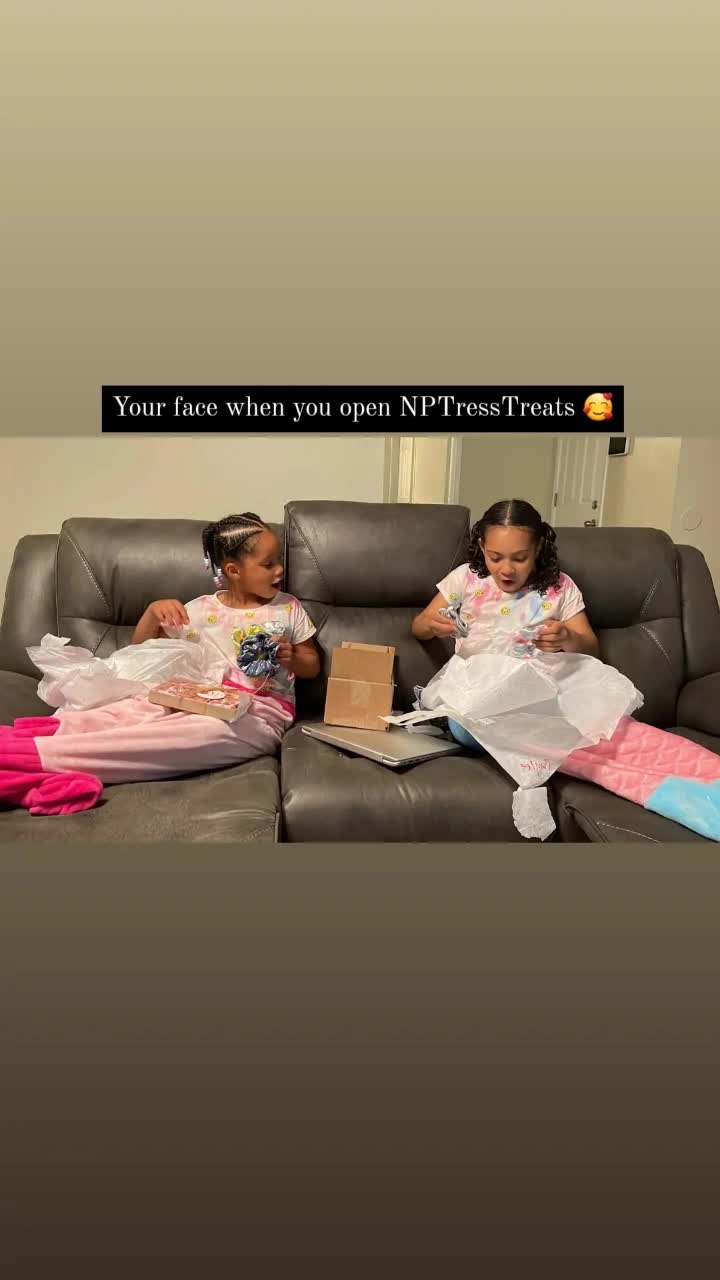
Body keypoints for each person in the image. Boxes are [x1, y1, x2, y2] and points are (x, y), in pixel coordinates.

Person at [0, 513, 321, 799]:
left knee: (200, 734)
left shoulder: (287, 607)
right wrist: (153, 614)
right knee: (135, 709)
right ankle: (38, 735)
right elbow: (142, 653)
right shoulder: (199, 611)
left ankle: (37, 758)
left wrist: (292, 657)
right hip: (197, 696)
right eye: (268, 564)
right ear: (233, 570)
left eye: (279, 560)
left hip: (260, 712)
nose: (280, 570)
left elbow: (313, 665)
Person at [411, 498, 599, 750]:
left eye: (520, 558)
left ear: (538, 548)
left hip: (535, 694)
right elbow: (418, 628)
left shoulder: (560, 587)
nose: (507, 569)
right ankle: (530, 741)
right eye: (495, 557)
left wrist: (567, 637)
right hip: (475, 694)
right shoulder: (466, 579)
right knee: (465, 729)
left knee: (588, 718)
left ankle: (531, 738)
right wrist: (431, 624)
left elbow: (592, 650)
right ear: (482, 546)